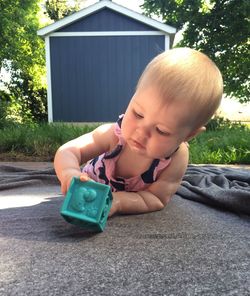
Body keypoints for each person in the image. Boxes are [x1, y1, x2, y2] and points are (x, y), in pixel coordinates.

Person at [54, 47, 223, 217]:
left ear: (188, 135)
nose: (141, 133)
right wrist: (70, 173)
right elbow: (69, 151)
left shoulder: (176, 159)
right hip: (87, 187)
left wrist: (118, 201)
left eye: (161, 130)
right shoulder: (114, 134)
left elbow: (155, 198)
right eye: (138, 114)